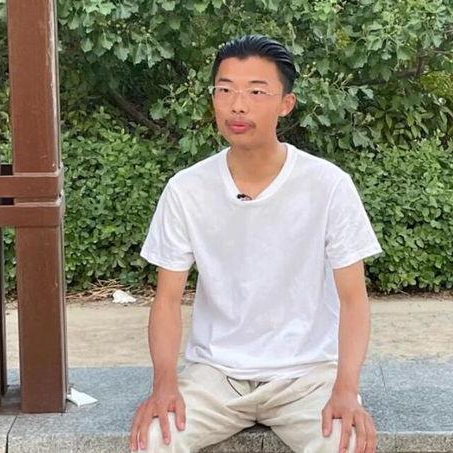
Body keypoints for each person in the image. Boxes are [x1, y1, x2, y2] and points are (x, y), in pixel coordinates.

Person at [130, 35, 382, 453]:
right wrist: (164, 384)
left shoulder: (328, 185)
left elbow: (353, 299)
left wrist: (346, 388)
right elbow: (167, 299)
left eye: (256, 92)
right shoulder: (187, 189)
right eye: (225, 90)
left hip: (307, 375)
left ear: (286, 103)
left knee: (348, 444)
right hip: (215, 374)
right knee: (153, 440)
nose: (238, 105)